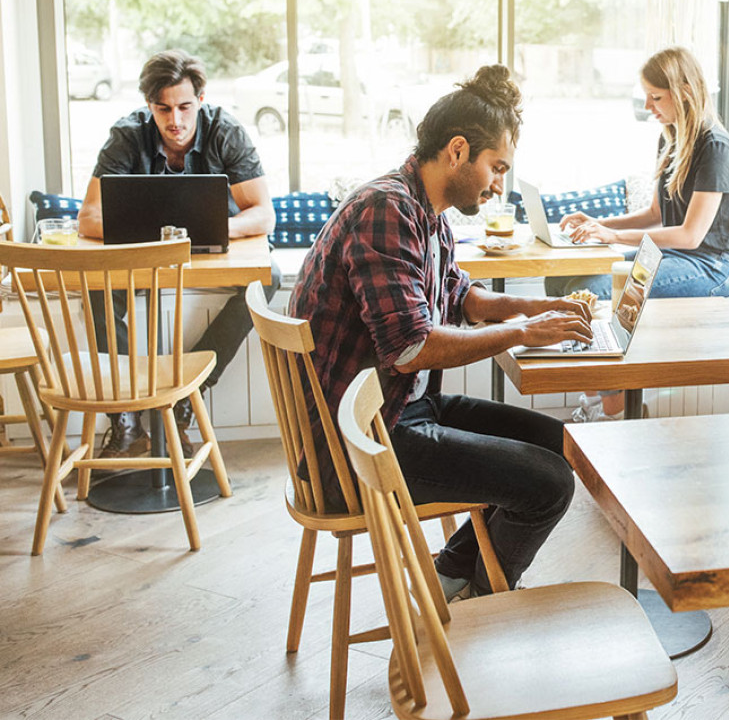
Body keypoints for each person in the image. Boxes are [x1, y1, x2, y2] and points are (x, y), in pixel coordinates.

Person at [289, 65, 592, 601]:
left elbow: (462, 298)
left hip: (397, 411)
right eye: (496, 168)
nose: (499, 185)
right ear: (458, 151)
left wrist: (542, 307)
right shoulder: (386, 211)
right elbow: (410, 349)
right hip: (358, 446)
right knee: (548, 485)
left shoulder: (425, 211)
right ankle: (478, 602)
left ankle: (452, 573)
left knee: (561, 445)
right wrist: (524, 332)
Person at [77, 50, 279, 460]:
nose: (175, 121)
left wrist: (205, 232)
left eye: (185, 107)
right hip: (143, 255)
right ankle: (127, 415)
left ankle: (190, 392)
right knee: (96, 285)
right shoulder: (127, 135)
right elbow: (88, 218)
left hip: (211, 250)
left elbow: (264, 215)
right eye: (163, 109)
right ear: (149, 106)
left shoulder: (226, 131)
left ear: (200, 101)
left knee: (268, 277)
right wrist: (160, 237)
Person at [547, 46, 729, 421]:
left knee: (598, 290)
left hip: (715, 266)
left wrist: (612, 238)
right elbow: (656, 213)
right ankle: (594, 399)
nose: (648, 107)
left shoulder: (715, 147)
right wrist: (600, 225)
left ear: (685, 91)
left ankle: (612, 411)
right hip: (677, 256)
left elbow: (691, 236)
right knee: (564, 283)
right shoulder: (670, 137)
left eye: (656, 97)